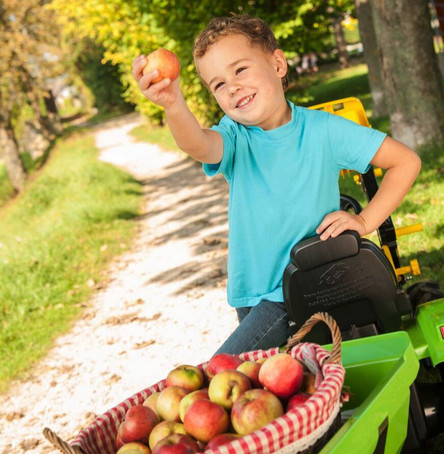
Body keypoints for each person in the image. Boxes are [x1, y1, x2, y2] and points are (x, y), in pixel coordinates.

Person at [132, 15, 421, 355]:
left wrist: (363, 221)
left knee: (221, 372)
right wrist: (173, 103)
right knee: (278, 388)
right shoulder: (235, 136)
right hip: (250, 295)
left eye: (240, 70)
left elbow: (406, 162)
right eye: (219, 84)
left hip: (299, 290)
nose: (233, 86)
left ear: (278, 63)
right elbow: (197, 143)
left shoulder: (323, 130)